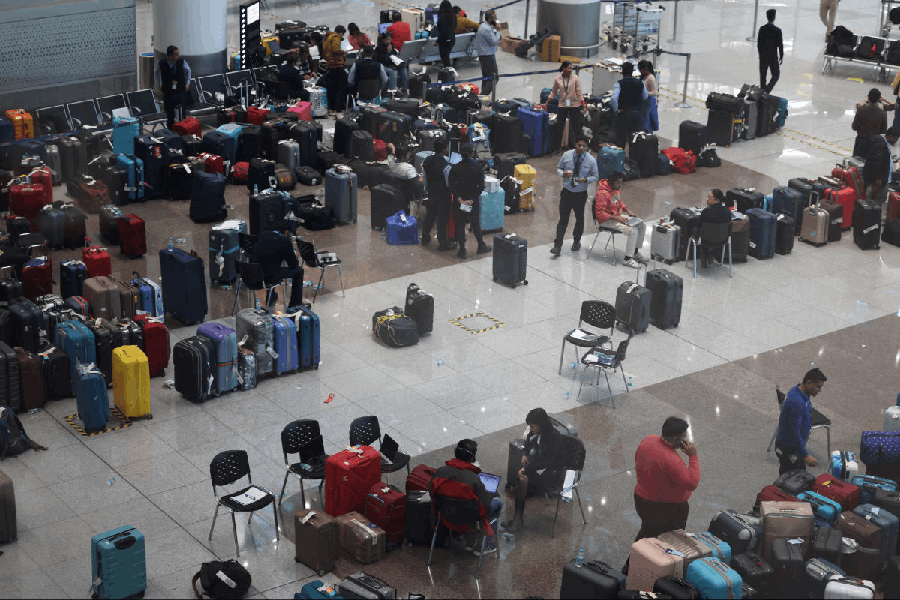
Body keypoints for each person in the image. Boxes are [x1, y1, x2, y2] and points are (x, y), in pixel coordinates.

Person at [430, 439, 503, 556]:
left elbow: (432, 494)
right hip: (469, 519)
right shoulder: (473, 478)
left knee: (467, 506)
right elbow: (485, 507)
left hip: (445, 515)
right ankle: (481, 546)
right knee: (497, 502)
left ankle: (469, 542)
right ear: (472, 459)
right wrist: (489, 496)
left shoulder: (440, 472)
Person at [633, 417, 700, 541]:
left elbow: (637, 458)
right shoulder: (671, 459)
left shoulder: (649, 439)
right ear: (676, 439)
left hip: (641, 500)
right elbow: (692, 483)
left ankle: (635, 558)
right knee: (669, 540)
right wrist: (693, 456)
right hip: (666, 509)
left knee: (648, 531)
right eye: (683, 437)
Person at [501, 408, 564, 534]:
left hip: (551, 472)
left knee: (522, 480)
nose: (530, 428)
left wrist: (526, 469)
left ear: (541, 424)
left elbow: (548, 462)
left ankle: (517, 521)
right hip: (538, 466)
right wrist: (524, 454)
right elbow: (528, 444)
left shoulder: (554, 438)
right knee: (522, 479)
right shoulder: (533, 432)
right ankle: (518, 519)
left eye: (533, 426)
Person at [551, 135, 599, 256]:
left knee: (579, 218)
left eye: (584, 146)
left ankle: (576, 241)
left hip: (580, 194)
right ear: (575, 144)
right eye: (579, 145)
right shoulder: (567, 155)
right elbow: (558, 168)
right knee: (563, 219)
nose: (581, 148)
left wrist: (586, 179)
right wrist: (563, 174)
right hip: (567, 192)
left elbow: (595, 176)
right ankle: (557, 246)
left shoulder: (591, 160)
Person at [775, 368, 827, 474]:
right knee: (791, 478)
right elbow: (794, 432)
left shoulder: (800, 392)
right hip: (790, 448)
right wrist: (805, 455)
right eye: (818, 386)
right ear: (808, 383)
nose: (819, 390)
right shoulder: (796, 402)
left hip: (794, 446)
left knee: (794, 476)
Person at [594, 172, 647, 269]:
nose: (620, 185)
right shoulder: (602, 194)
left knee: (641, 224)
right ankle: (627, 259)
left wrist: (627, 210)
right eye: (618, 183)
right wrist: (617, 219)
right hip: (607, 220)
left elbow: (618, 201)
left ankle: (635, 252)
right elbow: (599, 213)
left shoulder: (615, 189)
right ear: (611, 182)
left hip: (616, 216)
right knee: (633, 230)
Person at [448, 144, 491, 258]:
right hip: (472, 201)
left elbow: (451, 185)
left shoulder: (455, 168)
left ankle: (462, 250)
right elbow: (481, 185)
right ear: (472, 153)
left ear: (460, 154)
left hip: (460, 202)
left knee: (460, 224)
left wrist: (459, 198)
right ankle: (481, 245)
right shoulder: (477, 167)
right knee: (475, 223)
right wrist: (472, 199)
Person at [249, 219, 305, 308]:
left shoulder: (264, 235)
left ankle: (271, 296)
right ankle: (295, 303)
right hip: (267, 277)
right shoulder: (285, 241)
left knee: (271, 264)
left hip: (251, 274)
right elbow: (293, 265)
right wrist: (296, 256)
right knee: (299, 271)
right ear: (286, 231)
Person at [421, 139, 456, 251]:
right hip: (443, 196)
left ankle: (425, 238)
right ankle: (443, 243)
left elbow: (425, 178)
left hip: (431, 193)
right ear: (443, 150)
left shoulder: (427, 160)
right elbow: (448, 183)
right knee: (442, 220)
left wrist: (426, 190)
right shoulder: (446, 166)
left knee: (429, 216)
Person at [545, 61, 584, 150]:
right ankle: (557, 148)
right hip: (563, 105)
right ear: (564, 68)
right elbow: (554, 92)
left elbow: (579, 91)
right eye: (569, 68)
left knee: (577, 127)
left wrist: (583, 104)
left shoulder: (575, 78)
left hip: (574, 105)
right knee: (559, 127)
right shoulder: (557, 79)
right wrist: (547, 102)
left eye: (572, 68)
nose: (571, 70)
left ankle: (580, 146)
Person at [611, 62, 648, 150]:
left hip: (623, 114)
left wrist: (616, 110)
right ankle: (633, 160)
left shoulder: (619, 83)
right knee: (634, 138)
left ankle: (620, 159)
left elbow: (613, 99)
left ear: (622, 72)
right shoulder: (640, 83)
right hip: (637, 114)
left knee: (621, 138)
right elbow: (645, 96)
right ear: (632, 71)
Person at [155, 45, 192, 129]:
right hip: (168, 90)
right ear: (171, 55)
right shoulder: (161, 63)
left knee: (182, 110)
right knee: (169, 112)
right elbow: (157, 72)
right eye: (176, 54)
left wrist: (187, 83)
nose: (178, 56)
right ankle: (170, 130)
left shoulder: (181, 62)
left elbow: (188, 70)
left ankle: (183, 128)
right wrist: (160, 84)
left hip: (180, 89)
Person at [696, 189, 732, 268]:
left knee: (695, 229)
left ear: (717, 200)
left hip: (705, 240)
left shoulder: (706, 211)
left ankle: (703, 253)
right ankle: (712, 253)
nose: (707, 199)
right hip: (722, 240)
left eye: (709, 197)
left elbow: (699, 224)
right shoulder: (727, 211)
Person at [864, 126, 900, 205]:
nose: (895, 141)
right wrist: (878, 180)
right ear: (890, 136)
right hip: (878, 182)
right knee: (876, 202)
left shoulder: (881, 142)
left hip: (879, 180)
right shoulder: (880, 145)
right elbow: (876, 163)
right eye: (896, 138)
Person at [852, 89, 889, 159]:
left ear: (868, 97)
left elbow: (854, 127)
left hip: (861, 141)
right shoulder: (883, 113)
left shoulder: (861, 110)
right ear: (879, 99)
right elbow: (883, 130)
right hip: (874, 143)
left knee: (857, 163)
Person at [323, 26, 348, 114]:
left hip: (330, 65)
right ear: (341, 33)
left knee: (331, 89)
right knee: (340, 88)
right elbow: (335, 49)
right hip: (337, 65)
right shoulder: (336, 37)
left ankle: (332, 108)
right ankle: (339, 108)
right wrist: (344, 52)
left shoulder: (328, 37)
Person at [476, 10, 502, 96]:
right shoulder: (486, 28)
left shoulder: (485, 26)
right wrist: (498, 30)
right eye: (495, 18)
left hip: (485, 54)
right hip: (487, 56)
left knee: (486, 78)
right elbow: (494, 42)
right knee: (494, 78)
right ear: (490, 19)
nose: (496, 20)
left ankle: (483, 98)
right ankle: (481, 96)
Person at [757, 9, 783, 93]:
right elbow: (780, 45)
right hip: (773, 56)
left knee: (763, 77)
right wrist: (781, 56)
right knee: (776, 75)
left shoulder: (762, 29)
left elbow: (759, 44)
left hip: (763, 56)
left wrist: (760, 55)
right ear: (774, 17)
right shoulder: (778, 31)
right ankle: (766, 90)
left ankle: (762, 93)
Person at [638, 60, 659, 133]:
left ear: (645, 69)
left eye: (640, 70)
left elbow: (654, 92)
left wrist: (644, 93)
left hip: (648, 103)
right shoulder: (645, 76)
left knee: (647, 123)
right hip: (644, 102)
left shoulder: (651, 78)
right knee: (643, 121)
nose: (640, 71)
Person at [436, 0, 457, 69]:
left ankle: (448, 70)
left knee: (444, 56)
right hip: (452, 39)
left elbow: (442, 31)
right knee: (447, 55)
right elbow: (455, 26)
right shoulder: (453, 16)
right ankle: (448, 69)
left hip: (444, 40)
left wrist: (437, 41)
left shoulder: (441, 17)